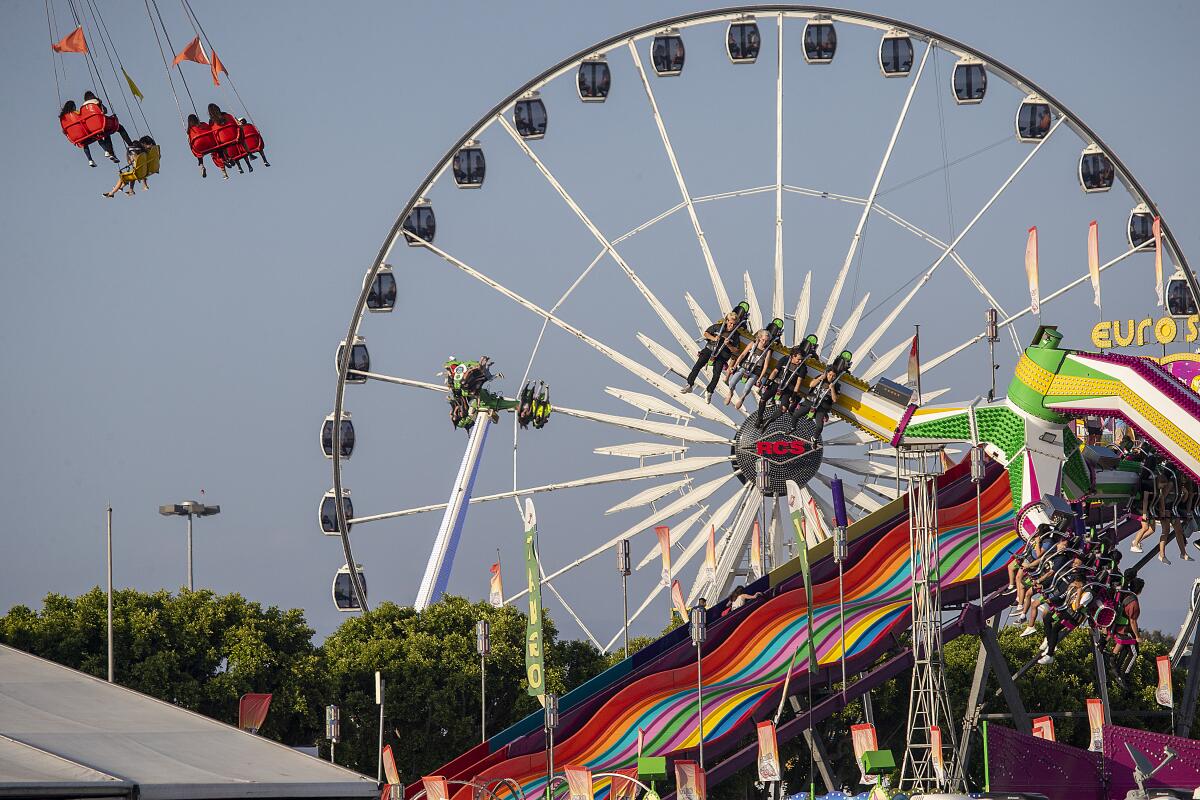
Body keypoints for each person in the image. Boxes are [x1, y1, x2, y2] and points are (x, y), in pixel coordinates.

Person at [682, 310, 746, 403]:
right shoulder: (717, 327)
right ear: (727, 321)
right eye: (730, 323)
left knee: (716, 374)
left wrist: (728, 345)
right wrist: (714, 338)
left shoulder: (735, 335)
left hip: (721, 355)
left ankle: (709, 391)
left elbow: (736, 350)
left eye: (734, 324)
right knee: (698, 365)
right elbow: (706, 333)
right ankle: (689, 384)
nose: (731, 326)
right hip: (710, 349)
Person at [726, 329, 773, 409]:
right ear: (759, 338)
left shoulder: (767, 351)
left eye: (766, 341)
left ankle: (742, 398)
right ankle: (730, 392)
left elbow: (765, 366)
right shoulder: (752, 344)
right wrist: (735, 366)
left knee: (747, 388)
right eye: (763, 340)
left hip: (756, 370)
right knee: (732, 382)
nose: (764, 342)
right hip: (745, 366)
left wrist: (760, 378)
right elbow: (742, 355)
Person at [80, 91, 132, 160]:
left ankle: (110, 152)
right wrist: (100, 102)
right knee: (120, 128)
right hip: (101, 124)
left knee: (106, 133)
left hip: (92, 128)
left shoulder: (82, 108)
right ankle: (130, 145)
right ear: (92, 95)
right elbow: (105, 111)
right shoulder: (96, 101)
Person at [792, 367, 840, 441]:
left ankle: (814, 439)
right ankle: (793, 427)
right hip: (811, 401)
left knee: (820, 426)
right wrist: (820, 378)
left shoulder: (836, 385)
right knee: (795, 415)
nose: (831, 377)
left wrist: (832, 388)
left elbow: (835, 399)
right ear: (827, 374)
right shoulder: (820, 377)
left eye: (833, 376)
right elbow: (811, 385)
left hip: (822, 407)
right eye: (830, 375)